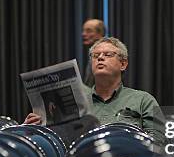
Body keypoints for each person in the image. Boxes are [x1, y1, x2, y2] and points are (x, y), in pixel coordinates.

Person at [25, 37, 164, 142]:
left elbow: (158, 141)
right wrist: (34, 127)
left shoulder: (143, 100)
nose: (100, 58)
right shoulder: (74, 99)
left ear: (123, 64)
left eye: (108, 55)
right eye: (96, 56)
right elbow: (54, 141)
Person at [81, 19, 105, 87]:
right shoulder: (92, 53)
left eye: (89, 31)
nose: (83, 34)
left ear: (100, 34)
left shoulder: (105, 55)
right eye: (83, 31)